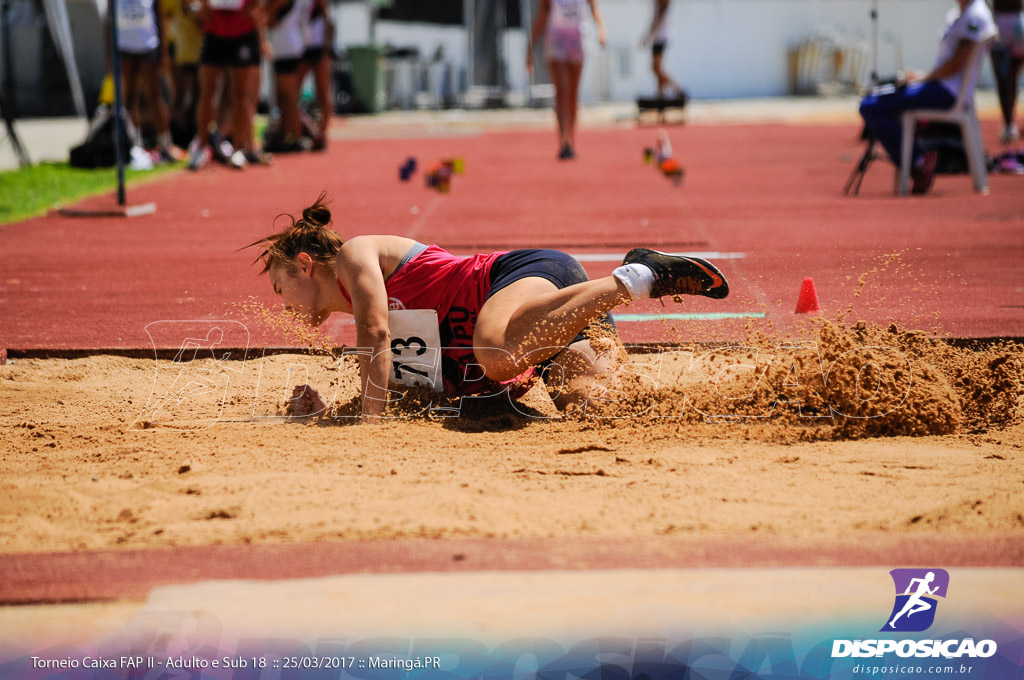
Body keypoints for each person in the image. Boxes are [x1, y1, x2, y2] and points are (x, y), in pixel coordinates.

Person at [248, 194, 730, 418]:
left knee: (494, 352)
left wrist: (366, 426)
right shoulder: (389, 350)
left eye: (278, 288)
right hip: (552, 332)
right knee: (603, 414)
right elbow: (419, 397)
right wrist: (328, 410)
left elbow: (374, 332)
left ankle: (639, 275)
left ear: (305, 265)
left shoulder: (356, 257)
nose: (281, 305)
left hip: (526, 279)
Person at [858, 0, 996, 194]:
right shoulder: (963, 13)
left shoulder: (975, 15)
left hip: (947, 92)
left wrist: (921, 78)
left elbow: (956, 63)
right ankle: (915, 161)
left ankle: (918, 162)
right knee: (877, 98)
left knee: (871, 105)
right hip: (940, 86)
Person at [187, 0, 271, 170]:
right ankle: (201, 148)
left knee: (242, 95)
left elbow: (261, 6)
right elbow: (190, 4)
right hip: (214, 32)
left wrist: (261, 36)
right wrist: (195, 8)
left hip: (243, 32)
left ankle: (240, 149)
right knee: (208, 92)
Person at [527, 0, 607, 160]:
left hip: (578, 39)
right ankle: (564, 140)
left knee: (572, 95)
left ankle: (571, 139)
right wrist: (530, 47)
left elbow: (594, 9)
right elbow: (542, 15)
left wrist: (601, 29)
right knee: (562, 90)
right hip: (557, 40)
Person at [115, 0, 176, 162]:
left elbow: (160, 19)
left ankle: (165, 144)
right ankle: (134, 144)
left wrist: (163, 53)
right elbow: (110, 21)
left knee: (154, 95)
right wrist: (110, 55)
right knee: (129, 96)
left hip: (148, 46)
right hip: (125, 47)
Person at [990, 0, 1024, 170]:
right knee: (1005, 80)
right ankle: (1009, 124)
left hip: (1016, 18)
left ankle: (1009, 124)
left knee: (1010, 79)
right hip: (1002, 20)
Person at [294, 0, 333, 150]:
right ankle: (303, 130)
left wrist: (326, 45)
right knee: (293, 93)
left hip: (318, 46)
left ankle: (322, 134)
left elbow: (326, 17)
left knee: (323, 91)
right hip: (301, 46)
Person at [641, 0, 684, 99]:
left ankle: (677, 88)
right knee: (657, 68)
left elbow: (657, 19)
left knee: (656, 69)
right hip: (658, 37)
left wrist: (647, 36)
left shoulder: (663, 3)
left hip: (661, 37)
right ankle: (661, 95)